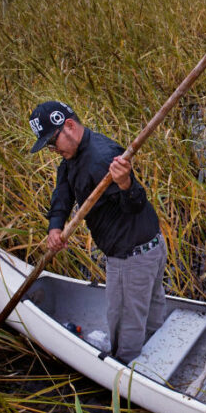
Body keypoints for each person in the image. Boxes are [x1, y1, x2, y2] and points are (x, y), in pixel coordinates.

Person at [29, 100, 167, 364]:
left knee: (124, 323)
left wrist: (126, 183)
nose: (52, 149)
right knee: (150, 310)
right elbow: (63, 191)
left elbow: (136, 205)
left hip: (132, 258)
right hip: (151, 248)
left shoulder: (103, 156)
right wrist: (55, 226)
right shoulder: (72, 156)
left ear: (68, 126)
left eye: (51, 142)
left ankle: (126, 372)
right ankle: (152, 353)